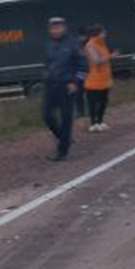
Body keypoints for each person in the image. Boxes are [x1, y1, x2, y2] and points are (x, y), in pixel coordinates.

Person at [42, 17, 88, 161]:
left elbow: (84, 66)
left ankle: (62, 151)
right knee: (47, 116)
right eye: (52, 28)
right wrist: (46, 75)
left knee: (66, 118)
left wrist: (75, 82)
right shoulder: (49, 44)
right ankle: (64, 138)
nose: (55, 30)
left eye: (58, 27)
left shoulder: (73, 44)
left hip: (67, 85)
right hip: (51, 84)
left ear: (64, 27)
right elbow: (48, 64)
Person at [84, 24, 115, 132]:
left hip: (104, 78)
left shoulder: (102, 44)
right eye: (103, 32)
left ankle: (100, 122)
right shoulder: (90, 45)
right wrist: (111, 56)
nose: (105, 34)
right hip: (93, 79)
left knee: (103, 101)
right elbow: (96, 61)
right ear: (98, 33)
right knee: (93, 102)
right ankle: (93, 123)